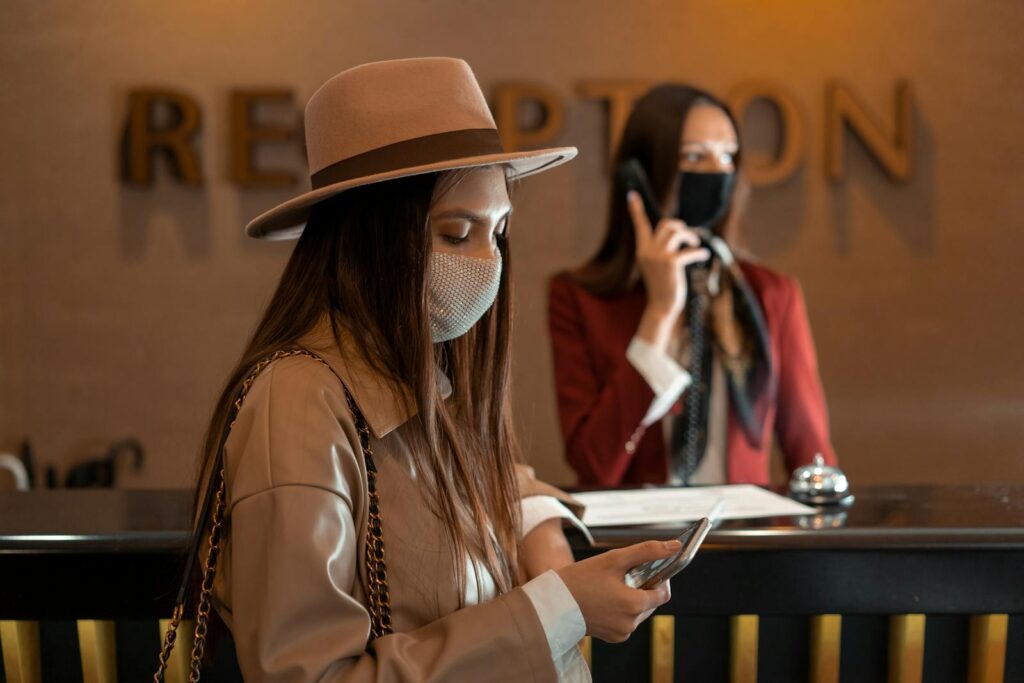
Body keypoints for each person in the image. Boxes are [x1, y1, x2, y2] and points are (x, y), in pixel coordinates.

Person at [177, 58, 681, 683]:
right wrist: (561, 606)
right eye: (455, 232)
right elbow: (311, 675)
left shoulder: (422, 372)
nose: (486, 261)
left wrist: (540, 533)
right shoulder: (299, 400)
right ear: (370, 237)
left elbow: (494, 472)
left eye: (496, 232)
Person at [549, 84, 837, 487]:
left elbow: (811, 455)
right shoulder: (579, 298)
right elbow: (596, 465)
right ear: (641, 175)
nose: (717, 172)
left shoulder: (771, 295)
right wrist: (661, 313)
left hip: (745, 541)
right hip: (637, 543)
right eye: (694, 156)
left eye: (728, 156)